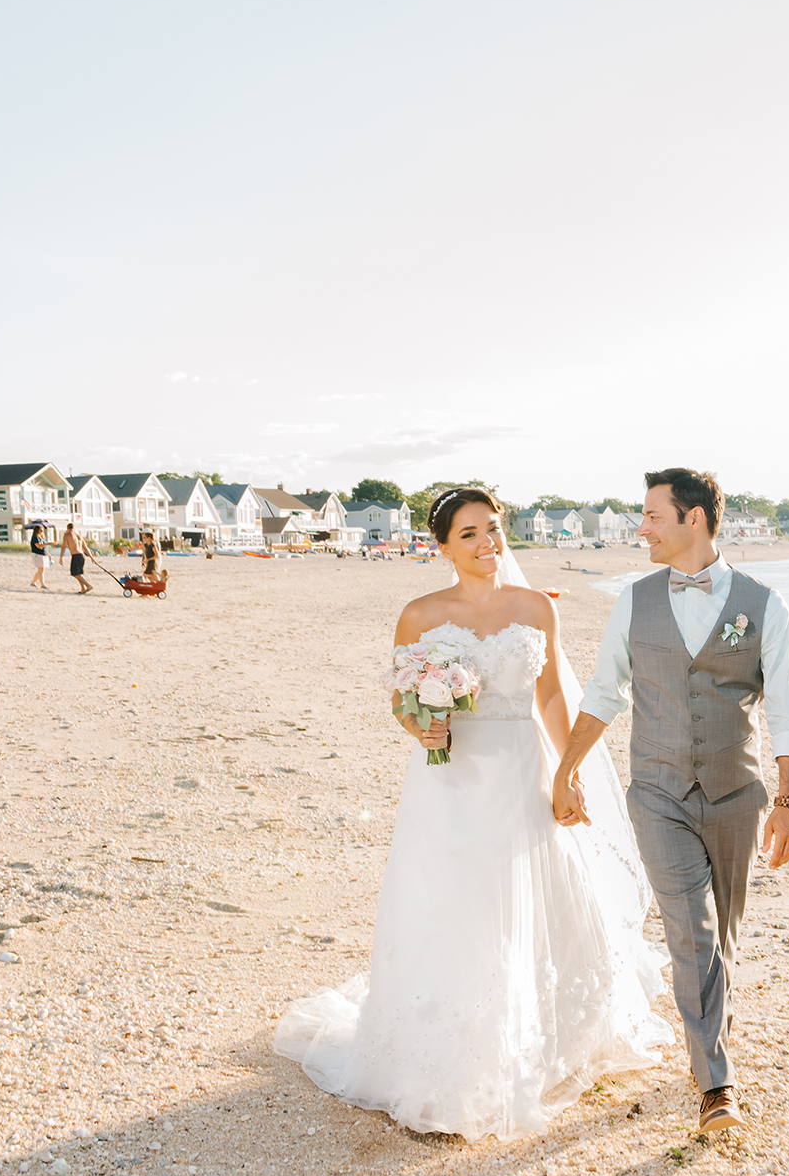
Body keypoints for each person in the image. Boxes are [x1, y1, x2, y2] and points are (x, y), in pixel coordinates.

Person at [273, 487, 670, 1140]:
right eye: (470, 535)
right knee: (452, 904)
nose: (487, 544)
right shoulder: (421, 615)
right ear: (443, 546)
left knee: (528, 898)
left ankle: (537, 1040)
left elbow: (549, 701)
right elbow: (404, 702)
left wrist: (566, 772)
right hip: (449, 782)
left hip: (522, 773)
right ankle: (449, 1054)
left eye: (493, 530)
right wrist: (421, 729)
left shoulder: (536, 608)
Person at [551, 467, 789, 1135]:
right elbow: (603, 693)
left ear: (693, 519)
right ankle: (716, 1086)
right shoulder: (634, 602)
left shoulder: (763, 604)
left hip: (737, 795)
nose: (641, 528)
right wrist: (567, 769)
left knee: (720, 936)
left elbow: (787, 711)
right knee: (692, 932)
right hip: (658, 792)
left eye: (651, 516)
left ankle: (708, 1039)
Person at [60, 523, 92, 594]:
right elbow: (86, 548)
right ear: (73, 528)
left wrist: (61, 557)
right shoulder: (79, 536)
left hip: (76, 555)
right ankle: (83, 589)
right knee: (79, 573)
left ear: (67, 528)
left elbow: (63, 547)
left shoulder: (67, 535)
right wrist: (91, 557)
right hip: (82, 556)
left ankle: (88, 585)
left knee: (74, 573)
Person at [28, 524, 50, 588]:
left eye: (42, 530)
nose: (42, 532)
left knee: (41, 570)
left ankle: (33, 582)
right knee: (41, 570)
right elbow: (38, 546)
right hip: (37, 554)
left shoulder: (40, 538)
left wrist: (48, 553)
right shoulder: (35, 537)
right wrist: (48, 544)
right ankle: (43, 584)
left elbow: (42, 547)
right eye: (40, 530)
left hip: (42, 554)